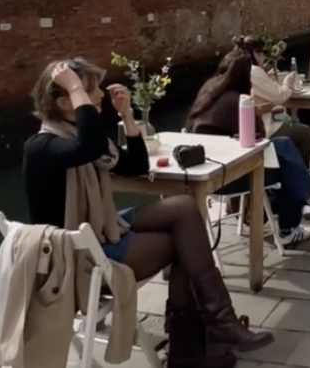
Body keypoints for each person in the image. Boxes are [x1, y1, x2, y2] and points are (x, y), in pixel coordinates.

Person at [23, 59, 273, 367]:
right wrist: (75, 86)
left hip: (100, 229)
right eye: (90, 91)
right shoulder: (42, 147)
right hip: (76, 255)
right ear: (64, 102)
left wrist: (127, 116)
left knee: (184, 208)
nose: (100, 94)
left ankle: (218, 323)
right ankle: (192, 345)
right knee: (187, 242)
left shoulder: (79, 137)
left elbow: (136, 166)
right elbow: (87, 148)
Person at [187, 50, 310, 248]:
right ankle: (301, 211)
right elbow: (259, 134)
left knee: (284, 157)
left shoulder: (208, 92)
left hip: (207, 173)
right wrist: (254, 104)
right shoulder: (237, 101)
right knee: (284, 155)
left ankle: (305, 206)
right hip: (229, 177)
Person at [237, 35, 310, 166]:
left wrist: (267, 80)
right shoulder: (255, 71)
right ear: (255, 53)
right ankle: (301, 178)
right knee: (305, 133)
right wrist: (288, 83)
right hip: (262, 127)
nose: (265, 57)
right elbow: (280, 97)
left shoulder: (243, 70)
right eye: (264, 53)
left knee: (293, 123)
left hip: (249, 124)